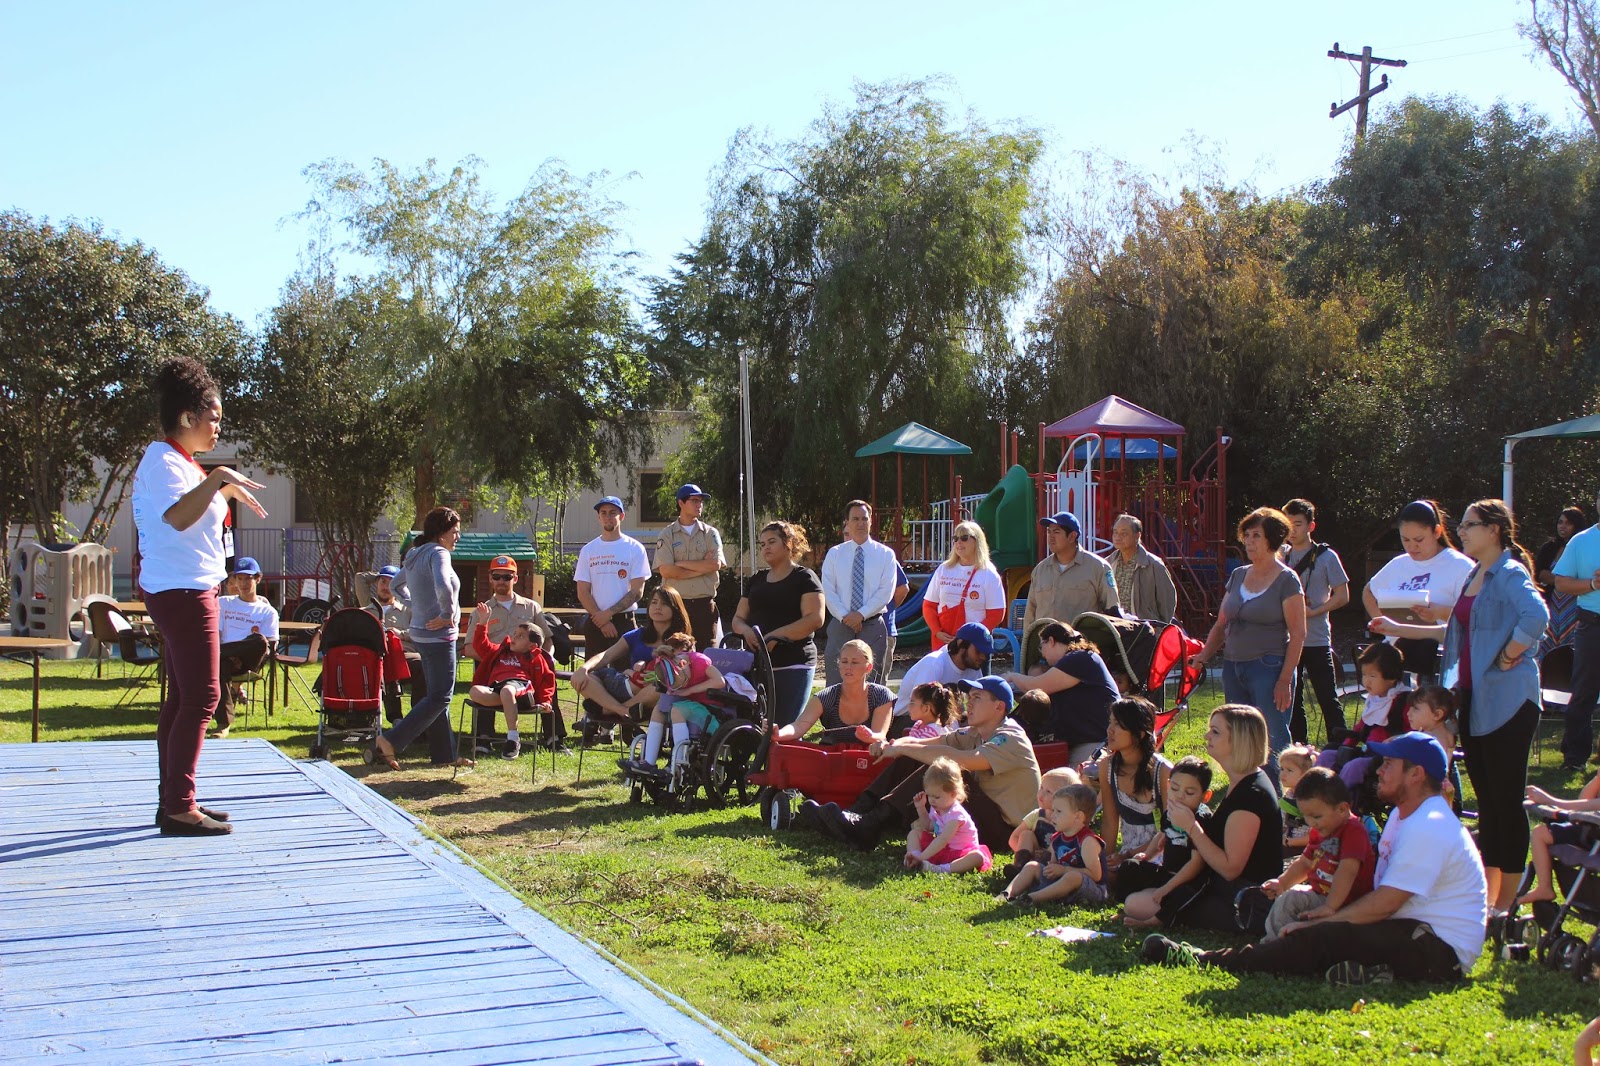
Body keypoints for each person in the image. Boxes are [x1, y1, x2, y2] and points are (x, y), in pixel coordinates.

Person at [1141, 732, 1488, 985]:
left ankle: (1205, 961)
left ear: (1416, 774)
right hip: (1409, 931)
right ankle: (1367, 971)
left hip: (1435, 949)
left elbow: (1385, 903)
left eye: (1390, 764)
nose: (1379, 770)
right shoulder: (1405, 815)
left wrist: (1323, 921)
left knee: (1322, 937)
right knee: (1306, 917)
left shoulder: (1429, 824)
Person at [133, 357, 266, 836]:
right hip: (182, 591)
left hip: (189, 586)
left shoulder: (182, 464)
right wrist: (218, 479)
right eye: (213, 419)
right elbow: (175, 519)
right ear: (188, 417)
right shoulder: (165, 460)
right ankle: (177, 807)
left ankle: (175, 798)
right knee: (204, 697)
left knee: (185, 697)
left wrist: (221, 490)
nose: (217, 429)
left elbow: (194, 519)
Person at [1434, 500, 1546, 915]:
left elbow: (1536, 615)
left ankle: (1508, 900)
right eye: (1461, 525)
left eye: (1470, 525)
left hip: (1509, 702)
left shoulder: (1510, 572)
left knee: (1505, 799)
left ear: (1495, 529)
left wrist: (1509, 655)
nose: (1461, 531)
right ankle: (1491, 895)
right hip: (1475, 702)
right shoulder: (1473, 574)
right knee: (1487, 800)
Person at [816, 676, 1042, 854]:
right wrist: (889, 744)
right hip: (979, 816)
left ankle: (869, 824)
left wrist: (903, 748)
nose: (968, 703)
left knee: (945, 768)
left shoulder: (1010, 737)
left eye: (977, 698)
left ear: (999, 707)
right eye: (968, 697)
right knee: (917, 755)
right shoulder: (975, 732)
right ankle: (859, 812)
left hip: (1006, 831)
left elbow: (963, 760)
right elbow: (926, 742)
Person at [1123, 704, 1283, 931]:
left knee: (1136, 904)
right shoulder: (1242, 781)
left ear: (1239, 741)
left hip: (1244, 900)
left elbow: (1230, 869)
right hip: (1217, 885)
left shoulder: (1251, 797)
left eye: (1216, 732)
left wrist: (1191, 827)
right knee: (1135, 881)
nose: (1207, 735)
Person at [1188, 507, 1306, 784]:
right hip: (1234, 665)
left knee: (1273, 735)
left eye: (1257, 535)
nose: (1249, 542)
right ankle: (1244, 786)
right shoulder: (1239, 575)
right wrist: (1204, 655)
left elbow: (1299, 633)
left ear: (1273, 540)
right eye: (1247, 535)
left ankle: (1278, 794)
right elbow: (1221, 623)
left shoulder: (1287, 580)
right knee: (1238, 733)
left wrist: (1285, 679)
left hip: (1270, 667)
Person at [373, 506, 473, 771]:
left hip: (420, 634)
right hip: (439, 635)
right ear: (441, 533)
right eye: (455, 532)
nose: (457, 538)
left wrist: (415, 605)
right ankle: (391, 740)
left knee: (436, 694)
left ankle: (444, 755)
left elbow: (395, 586)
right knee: (440, 696)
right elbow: (443, 585)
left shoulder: (415, 553)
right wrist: (447, 614)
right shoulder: (439, 553)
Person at [1256, 767, 1376, 940]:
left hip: (1348, 904)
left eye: (1317, 817)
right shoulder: (1320, 831)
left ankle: (1275, 946)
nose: (1312, 823)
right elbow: (1305, 863)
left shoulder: (1353, 831)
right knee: (1290, 898)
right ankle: (1276, 941)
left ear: (1342, 809)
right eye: (1306, 817)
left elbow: (1347, 870)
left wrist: (1330, 906)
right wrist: (1282, 882)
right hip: (1321, 896)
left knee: (1293, 900)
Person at [1363, 499, 1475, 682]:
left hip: (1438, 661)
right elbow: (1369, 591)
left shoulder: (1460, 566)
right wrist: (1384, 624)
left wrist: (1439, 611)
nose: (1411, 547)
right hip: (1396, 659)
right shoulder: (1399, 564)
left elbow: (1473, 614)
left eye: (1419, 540)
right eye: (1405, 539)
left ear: (1437, 532)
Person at [731, 521, 826, 726]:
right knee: (754, 726)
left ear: (789, 543)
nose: (766, 547)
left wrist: (775, 637)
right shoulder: (756, 580)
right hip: (757, 665)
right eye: (762, 544)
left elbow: (815, 619)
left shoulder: (804, 578)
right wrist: (747, 632)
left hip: (794, 663)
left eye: (772, 542)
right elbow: (737, 620)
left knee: (782, 726)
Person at [571, 586, 691, 740]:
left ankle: (610, 709)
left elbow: (685, 671)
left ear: (675, 608)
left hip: (652, 697)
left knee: (663, 685)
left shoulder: (681, 640)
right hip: (624, 687)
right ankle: (621, 709)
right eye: (654, 602)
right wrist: (583, 668)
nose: (657, 607)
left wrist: (661, 673)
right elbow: (606, 656)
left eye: (664, 604)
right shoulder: (637, 635)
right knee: (585, 679)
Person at [1280, 499, 1350, 745]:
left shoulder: (1327, 556)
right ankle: (1299, 749)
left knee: (1327, 698)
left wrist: (1315, 611)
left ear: (1311, 526)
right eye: (1288, 524)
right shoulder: (1281, 556)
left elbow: (1343, 596)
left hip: (1317, 639)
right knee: (1292, 699)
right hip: (1287, 641)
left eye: (1298, 524)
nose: (1292, 530)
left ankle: (1341, 749)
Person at [1002, 620, 1118, 769]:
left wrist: (1012, 676)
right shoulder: (1080, 659)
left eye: (1041, 646)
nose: (1042, 653)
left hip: (1094, 743)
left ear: (1051, 641)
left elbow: (1038, 686)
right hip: (1085, 741)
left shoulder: (1079, 658)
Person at [620, 632, 727, 779]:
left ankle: (679, 764)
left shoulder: (699, 661)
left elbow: (720, 681)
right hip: (687, 703)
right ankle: (649, 761)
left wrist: (689, 690)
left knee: (677, 710)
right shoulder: (664, 663)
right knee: (659, 709)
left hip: (709, 707)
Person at [1111, 756, 1213, 901]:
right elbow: (1161, 834)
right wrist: (1147, 855)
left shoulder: (1202, 819)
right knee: (1129, 866)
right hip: (1165, 872)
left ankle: (1151, 911)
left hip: (1187, 880)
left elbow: (1196, 863)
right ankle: (1123, 904)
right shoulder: (1171, 812)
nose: (1179, 796)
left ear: (1205, 796)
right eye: (1175, 789)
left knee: (1176, 897)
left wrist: (1166, 889)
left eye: (1189, 793)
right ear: (1168, 785)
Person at [820, 500, 898, 686]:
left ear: (871, 521)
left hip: (872, 625)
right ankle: (834, 716)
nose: (860, 523)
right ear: (847, 522)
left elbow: (886, 592)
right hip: (840, 624)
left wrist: (860, 614)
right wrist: (847, 617)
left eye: (865, 518)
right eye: (855, 519)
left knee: (870, 684)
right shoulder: (835, 554)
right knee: (836, 682)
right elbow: (828, 591)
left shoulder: (886, 555)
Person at [466, 605, 556, 760]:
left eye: (520, 636)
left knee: (507, 690)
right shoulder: (500, 651)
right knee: (475, 691)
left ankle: (513, 739)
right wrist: (483, 622)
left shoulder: (535, 658)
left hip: (522, 689)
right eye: (514, 633)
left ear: (531, 646)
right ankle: (506, 703)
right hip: (499, 689)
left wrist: (545, 701)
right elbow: (480, 645)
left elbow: (547, 680)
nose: (514, 637)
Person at [1552, 490, 1600, 768]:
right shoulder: (1581, 541)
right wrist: (1592, 585)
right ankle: (1575, 758)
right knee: (1584, 692)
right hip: (1592, 625)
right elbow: (1561, 583)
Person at [997, 783, 1105, 906]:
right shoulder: (1057, 837)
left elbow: (1096, 875)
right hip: (1061, 884)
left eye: (1058, 811)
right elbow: (1053, 863)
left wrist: (1064, 870)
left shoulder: (1087, 841)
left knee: (1073, 876)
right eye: (1053, 810)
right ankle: (1007, 894)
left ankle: (1031, 898)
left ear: (1078, 817)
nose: (1053, 815)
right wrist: (1050, 869)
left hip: (1090, 890)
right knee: (1032, 865)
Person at [1095, 697, 1169, 867]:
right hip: (1126, 857)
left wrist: (1129, 855)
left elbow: (1170, 831)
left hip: (1161, 852)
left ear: (1140, 734)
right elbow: (1109, 821)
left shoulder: (1162, 770)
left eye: (1118, 725)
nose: (1109, 730)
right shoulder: (1107, 766)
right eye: (1110, 722)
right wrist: (1103, 864)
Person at [775, 639, 894, 743]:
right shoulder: (825, 697)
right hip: (832, 761)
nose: (848, 667)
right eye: (844, 661)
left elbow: (880, 736)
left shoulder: (881, 696)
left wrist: (869, 736)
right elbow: (799, 726)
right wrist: (778, 734)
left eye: (855, 662)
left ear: (868, 667)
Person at [653, 483, 725, 652]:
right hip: (676, 605)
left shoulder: (710, 533)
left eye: (700, 501)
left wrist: (681, 564)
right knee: (673, 653)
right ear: (681, 503)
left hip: (704, 606)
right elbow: (667, 571)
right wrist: (702, 567)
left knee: (705, 654)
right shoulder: (667, 534)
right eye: (694, 500)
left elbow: (715, 564)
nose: (699, 504)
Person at [212, 556, 278, 738]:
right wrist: (225, 652)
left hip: (249, 659)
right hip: (224, 658)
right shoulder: (224, 603)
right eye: (239, 578)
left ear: (257, 579)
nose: (243, 583)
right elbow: (215, 633)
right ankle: (223, 724)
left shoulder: (267, 611)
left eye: (248, 578)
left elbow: (268, 647)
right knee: (221, 665)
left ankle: (217, 655)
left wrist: (228, 652)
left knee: (259, 640)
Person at [575, 495, 651, 651]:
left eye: (612, 513)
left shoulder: (635, 548)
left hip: (624, 621)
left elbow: (637, 591)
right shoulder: (588, 550)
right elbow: (582, 591)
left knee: (625, 673)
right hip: (595, 621)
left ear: (621, 516)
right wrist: (602, 619)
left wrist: (608, 614)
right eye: (603, 513)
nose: (607, 517)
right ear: (598, 517)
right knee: (592, 673)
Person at [1022, 511, 1118, 633]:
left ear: (1072, 536)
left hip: (1082, 646)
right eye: (1048, 532)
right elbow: (1030, 614)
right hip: (1045, 647)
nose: (1050, 537)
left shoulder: (1098, 567)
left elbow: (1112, 610)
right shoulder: (1040, 570)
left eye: (1056, 532)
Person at [903, 757, 995, 874]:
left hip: (960, 852)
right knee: (914, 834)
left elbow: (943, 839)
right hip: (941, 849)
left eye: (936, 797)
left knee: (977, 857)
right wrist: (920, 808)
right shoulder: (937, 808)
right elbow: (929, 826)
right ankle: (914, 859)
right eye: (929, 795)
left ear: (953, 794)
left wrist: (923, 856)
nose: (932, 800)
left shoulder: (955, 815)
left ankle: (941, 869)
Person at [1518, 773, 1600, 905]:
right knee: (1540, 833)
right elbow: (1584, 800)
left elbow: (1589, 805)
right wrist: (1598, 779)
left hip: (1595, 837)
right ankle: (1544, 887)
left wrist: (1549, 800)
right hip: (1592, 831)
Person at [923, 521, 1006, 648]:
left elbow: (996, 614)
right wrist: (937, 631)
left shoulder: (989, 573)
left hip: (974, 647)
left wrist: (971, 637)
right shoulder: (943, 569)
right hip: (943, 644)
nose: (958, 542)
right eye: (955, 538)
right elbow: (929, 605)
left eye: (964, 538)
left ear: (977, 541)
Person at [892, 622, 990, 717]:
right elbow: (922, 708)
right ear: (961, 645)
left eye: (986, 653)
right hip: (906, 718)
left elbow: (981, 705)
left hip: (942, 720)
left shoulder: (974, 669)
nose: (983, 657)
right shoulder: (934, 662)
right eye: (978, 651)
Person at [371, 563, 426, 723]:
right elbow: (360, 578)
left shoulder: (409, 610)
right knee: (385, 662)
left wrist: (400, 634)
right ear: (376, 584)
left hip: (404, 655)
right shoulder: (366, 611)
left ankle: (417, 719)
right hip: (376, 658)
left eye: (391, 583)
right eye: (382, 581)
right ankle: (395, 718)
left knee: (421, 663)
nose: (386, 586)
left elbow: (418, 632)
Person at [1004, 765, 1084, 874]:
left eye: (1049, 792)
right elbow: (1014, 837)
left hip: (1055, 862)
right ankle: (1020, 866)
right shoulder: (1036, 815)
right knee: (1026, 834)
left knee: (1060, 839)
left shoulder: (1068, 820)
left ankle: (1041, 871)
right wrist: (1026, 852)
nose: (1041, 794)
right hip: (1032, 857)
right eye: (1041, 788)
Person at [472, 555, 551, 659]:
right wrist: (500, 662)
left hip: (526, 670)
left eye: (507, 577)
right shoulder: (480, 611)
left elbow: (547, 640)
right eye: (496, 577)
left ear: (515, 579)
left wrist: (546, 660)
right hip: (494, 670)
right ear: (490, 578)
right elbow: (469, 648)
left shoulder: (532, 607)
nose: (501, 581)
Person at [1107, 514, 1177, 623]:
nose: (1117, 537)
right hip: (1114, 629)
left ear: (1137, 535)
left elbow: (1167, 603)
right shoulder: (1107, 563)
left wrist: (1158, 630)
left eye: (1123, 533)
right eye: (1115, 532)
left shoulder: (1153, 565)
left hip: (1144, 632)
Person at [882, 561, 911, 673]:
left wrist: (887, 609)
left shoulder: (885, 556)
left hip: (883, 629)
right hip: (847, 629)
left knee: (878, 681)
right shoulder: (839, 555)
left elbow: (902, 589)